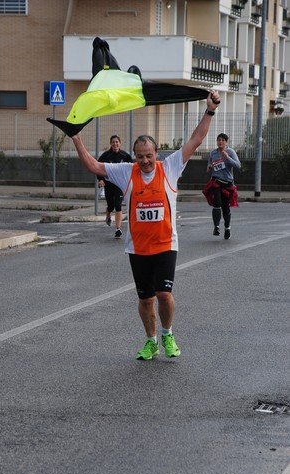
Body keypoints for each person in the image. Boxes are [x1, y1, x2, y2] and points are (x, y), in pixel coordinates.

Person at [71, 91, 220, 360]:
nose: (144, 161)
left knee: (164, 294)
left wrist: (209, 110)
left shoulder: (171, 166)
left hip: (165, 245)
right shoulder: (127, 171)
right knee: (145, 299)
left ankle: (168, 334)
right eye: (140, 156)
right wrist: (76, 138)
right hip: (138, 248)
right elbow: (93, 165)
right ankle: (151, 341)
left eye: (148, 155)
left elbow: (196, 139)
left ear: (156, 153)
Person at [206, 133, 241, 239]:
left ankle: (227, 228)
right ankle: (216, 227)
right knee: (217, 203)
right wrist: (209, 166)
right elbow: (209, 165)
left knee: (225, 207)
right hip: (216, 181)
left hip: (227, 183)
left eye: (222, 140)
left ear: (226, 142)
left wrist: (228, 158)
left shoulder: (230, 152)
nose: (220, 142)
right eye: (219, 140)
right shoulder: (213, 153)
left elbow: (238, 165)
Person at [97, 135, 133, 238]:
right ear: (111, 144)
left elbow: (132, 169)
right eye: (113, 142)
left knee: (118, 205)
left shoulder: (125, 156)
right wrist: (100, 179)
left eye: (117, 142)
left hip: (120, 185)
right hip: (109, 184)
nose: (115, 144)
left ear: (120, 143)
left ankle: (118, 229)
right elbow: (98, 168)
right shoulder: (106, 156)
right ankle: (108, 214)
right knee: (111, 205)